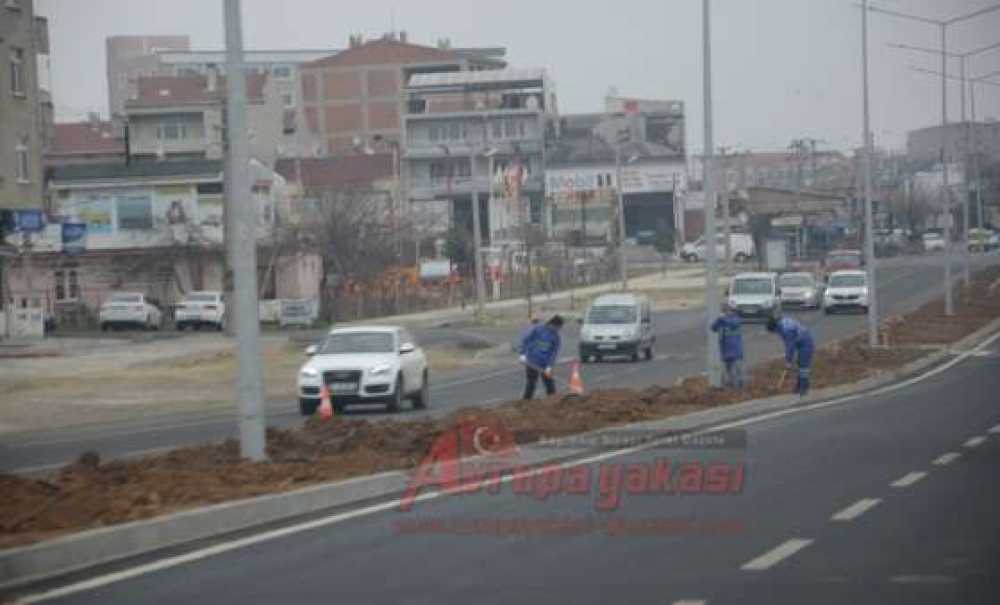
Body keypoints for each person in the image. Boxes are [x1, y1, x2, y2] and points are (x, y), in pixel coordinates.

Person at [766, 316, 815, 397]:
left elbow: (790, 346)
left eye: (773, 331)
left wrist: (788, 360)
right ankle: (798, 386)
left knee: (803, 366)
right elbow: (788, 344)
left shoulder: (786, 330)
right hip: (800, 342)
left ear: (774, 328)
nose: (775, 333)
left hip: (806, 342)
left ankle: (804, 388)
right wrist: (788, 358)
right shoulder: (782, 324)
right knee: (800, 364)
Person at [519, 315, 564, 400]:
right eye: (557, 328)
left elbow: (554, 353)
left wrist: (549, 366)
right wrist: (522, 354)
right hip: (531, 361)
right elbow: (525, 340)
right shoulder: (538, 329)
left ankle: (553, 400)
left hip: (544, 364)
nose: (558, 330)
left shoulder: (556, 337)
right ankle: (525, 403)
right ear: (552, 324)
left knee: (549, 384)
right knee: (531, 384)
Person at [711, 306, 744, 389]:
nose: (726, 313)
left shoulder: (736, 319)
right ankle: (729, 384)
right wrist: (719, 320)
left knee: (737, 368)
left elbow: (733, 324)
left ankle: (739, 384)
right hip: (725, 350)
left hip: (736, 349)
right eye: (725, 311)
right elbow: (713, 328)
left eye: (728, 311)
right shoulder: (721, 321)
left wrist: (722, 319)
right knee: (727, 369)